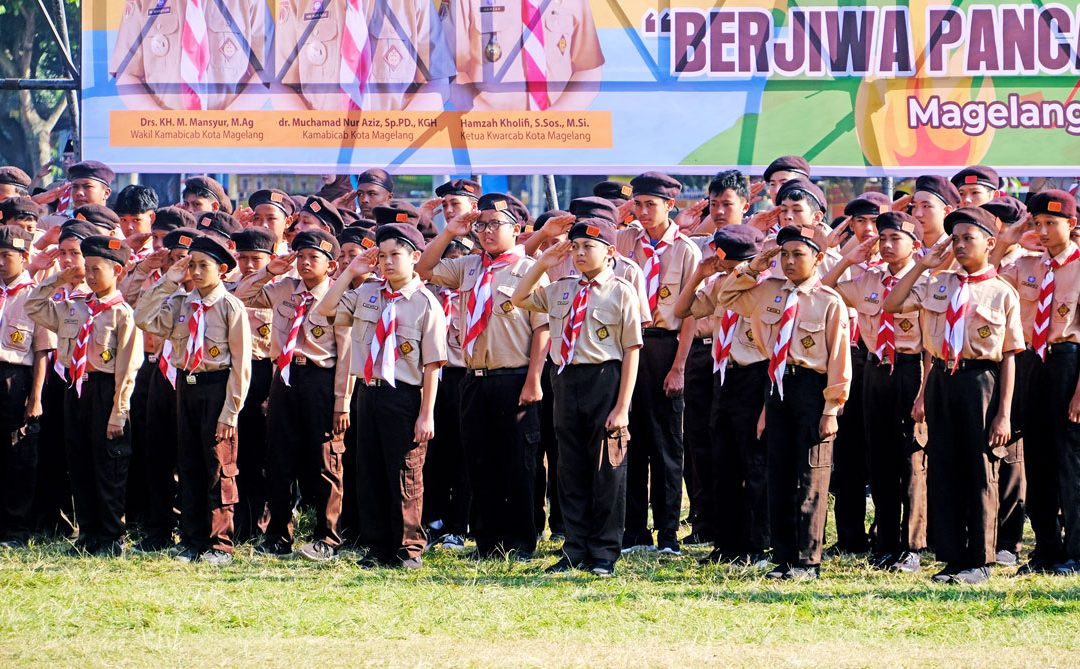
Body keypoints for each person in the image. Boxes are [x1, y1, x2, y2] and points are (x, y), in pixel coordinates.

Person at [884, 207, 1024, 585]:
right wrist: (922, 264)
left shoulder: (1002, 292)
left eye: (968, 238)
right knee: (943, 467)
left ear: (990, 243)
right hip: (942, 380)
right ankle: (951, 556)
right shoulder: (936, 283)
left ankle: (979, 560)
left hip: (981, 383)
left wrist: (1004, 414)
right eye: (955, 239)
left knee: (979, 470)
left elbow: (1009, 355)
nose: (960, 245)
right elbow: (892, 304)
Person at [715, 225, 852, 580]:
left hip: (812, 387)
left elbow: (839, 359)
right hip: (775, 386)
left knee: (810, 475)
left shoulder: (828, 301)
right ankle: (784, 555)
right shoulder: (768, 291)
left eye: (798, 255)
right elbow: (726, 296)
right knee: (779, 473)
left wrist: (831, 409)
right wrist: (756, 266)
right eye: (785, 255)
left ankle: (808, 560)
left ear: (818, 258)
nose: (790, 262)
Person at [417, 193, 549, 559]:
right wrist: (449, 232)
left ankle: (521, 542)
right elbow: (424, 269)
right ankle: (487, 541)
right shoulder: (469, 266)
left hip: (515, 375)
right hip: (474, 377)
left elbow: (542, 329)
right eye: (482, 225)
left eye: (496, 225)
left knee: (517, 464)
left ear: (516, 228)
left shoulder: (530, 269)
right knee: (479, 460)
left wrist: (533, 379)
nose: (487, 232)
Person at [511, 221, 642, 577]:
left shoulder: (622, 292)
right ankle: (575, 548)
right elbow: (518, 297)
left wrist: (622, 406)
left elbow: (631, 350)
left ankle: (603, 552)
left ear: (610, 252)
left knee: (606, 468)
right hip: (566, 379)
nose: (581, 253)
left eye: (589, 247)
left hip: (604, 377)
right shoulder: (560, 289)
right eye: (576, 247)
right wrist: (542, 263)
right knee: (569, 468)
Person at [315, 223, 446, 568]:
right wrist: (351, 272)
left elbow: (432, 365)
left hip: (404, 395)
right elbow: (325, 310)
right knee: (369, 470)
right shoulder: (367, 293)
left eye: (395, 255)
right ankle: (378, 546)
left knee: (404, 472)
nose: (387, 262)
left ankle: (409, 547)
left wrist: (426, 413)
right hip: (368, 392)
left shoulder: (425, 303)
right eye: (382, 256)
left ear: (415, 257)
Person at [235, 230, 352, 561]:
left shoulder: (338, 296)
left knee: (326, 460)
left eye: (313, 258)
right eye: (300, 256)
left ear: (330, 265)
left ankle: (327, 537)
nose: (304, 263)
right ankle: (278, 536)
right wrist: (270, 270)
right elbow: (242, 294)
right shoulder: (284, 288)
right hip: (284, 377)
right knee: (278, 458)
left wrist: (341, 402)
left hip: (320, 378)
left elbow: (346, 356)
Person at [135, 236, 251, 565]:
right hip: (186, 386)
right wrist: (168, 281)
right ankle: (192, 538)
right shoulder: (181, 302)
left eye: (204, 265)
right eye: (191, 264)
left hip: (217, 388)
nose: (196, 272)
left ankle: (220, 543)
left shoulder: (231, 307)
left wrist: (231, 411)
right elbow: (142, 318)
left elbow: (241, 365)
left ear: (223, 270)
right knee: (188, 464)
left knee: (218, 465)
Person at [825, 211, 929, 573]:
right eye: (882, 239)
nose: (885, 245)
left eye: (894, 239)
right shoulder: (869, 278)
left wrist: (923, 394)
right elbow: (823, 288)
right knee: (880, 456)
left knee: (912, 457)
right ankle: (885, 541)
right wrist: (848, 259)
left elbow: (931, 345)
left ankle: (911, 545)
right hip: (874, 368)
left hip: (910, 367)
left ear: (914, 245)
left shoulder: (926, 281)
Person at [27, 235, 142, 557]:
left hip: (106, 391)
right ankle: (88, 534)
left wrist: (119, 411)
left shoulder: (122, 315)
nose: (90, 276)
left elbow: (128, 368)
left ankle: (111, 537)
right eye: (86, 269)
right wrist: (59, 278)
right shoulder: (74, 308)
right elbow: (33, 306)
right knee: (79, 463)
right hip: (75, 390)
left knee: (108, 465)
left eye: (97, 269)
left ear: (117, 271)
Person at [615, 172, 701, 556]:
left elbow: (692, 315)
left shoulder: (686, 250)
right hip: (629, 346)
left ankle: (667, 533)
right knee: (631, 440)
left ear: (671, 206)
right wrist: (625, 214)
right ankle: (635, 532)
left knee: (667, 444)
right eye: (639, 203)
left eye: (653, 204)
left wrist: (679, 366)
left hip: (666, 346)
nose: (644, 212)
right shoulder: (624, 240)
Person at [674, 224, 770, 568]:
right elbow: (682, 310)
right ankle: (727, 543)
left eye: (734, 266)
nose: (730, 272)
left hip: (756, 375)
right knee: (723, 462)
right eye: (726, 266)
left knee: (754, 464)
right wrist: (700, 273)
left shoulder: (767, 288)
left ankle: (758, 545)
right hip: (723, 374)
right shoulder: (719, 285)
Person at [996, 190, 1080, 575]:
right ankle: (1046, 549)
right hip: (1033, 362)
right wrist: (1007, 240)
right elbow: (988, 278)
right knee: (1038, 460)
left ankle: (1075, 552)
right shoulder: (1027, 265)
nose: (1043, 231)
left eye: (1052, 223)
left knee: (1070, 462)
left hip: (1068, 363)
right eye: (1038, 223)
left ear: (1071, 225)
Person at [275, 0, 453, 112]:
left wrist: (398, 140)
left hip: (391, 156)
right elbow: (279, 85)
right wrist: (314, 144)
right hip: (322, 154)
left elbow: (437, 83)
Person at [109, 0, 268, 111]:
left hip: (231, 139)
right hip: (161, 140)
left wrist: (231, 121)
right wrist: (156, 121)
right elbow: (126, 74)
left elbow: (267, 73)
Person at [449, 0, 604, 111]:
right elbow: (450, 72)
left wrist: (554, 121)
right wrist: (490, 122)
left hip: (557, 138)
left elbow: (588, 69)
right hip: (489, 139)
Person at [0, 227, 52, 549]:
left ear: (25, 258)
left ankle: (16, 530)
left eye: (7, 256)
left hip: (15, 380)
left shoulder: (35, 298)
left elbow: (42, 352)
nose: (1, 263)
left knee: (17, 457)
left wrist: (35, 397)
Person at [227, 228, 278, 542]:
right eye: (242, 257)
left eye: (255, 259)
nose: (247, 264)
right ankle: (240, 522)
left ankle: (263, 523)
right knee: (238, 454)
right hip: (234, 373)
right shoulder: (229, 288)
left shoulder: (282, 289)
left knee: (265, 456)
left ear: (270, 259)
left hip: (267, 373)